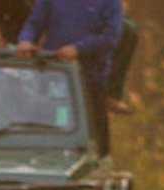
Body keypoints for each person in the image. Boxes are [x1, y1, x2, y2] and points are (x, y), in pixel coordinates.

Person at [16, 0, 123, 154]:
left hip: (89, 80)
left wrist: (78, 49)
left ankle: (99, 166)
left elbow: (110, 37)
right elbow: (35, 22)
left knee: (95, 137)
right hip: (54, 75)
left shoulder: (110, 3)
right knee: (54, 123)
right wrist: (26, 39)